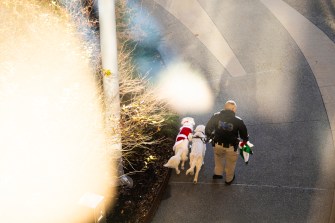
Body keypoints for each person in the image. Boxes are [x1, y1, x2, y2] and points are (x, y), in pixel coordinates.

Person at [205, 100, 249, 185]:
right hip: (231, 147)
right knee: (230, 164)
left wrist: (211, 136)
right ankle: (229, 179)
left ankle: (218, 174)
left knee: (218, 159)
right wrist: (245, 142)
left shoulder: (216, 116)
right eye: (235, 108)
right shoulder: (238, 121)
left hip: (217, 144)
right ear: (233, 109)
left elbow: (207, 129)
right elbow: (244, 135)